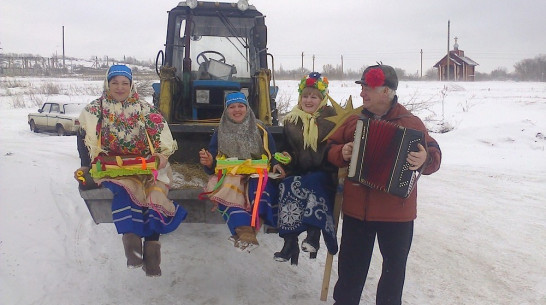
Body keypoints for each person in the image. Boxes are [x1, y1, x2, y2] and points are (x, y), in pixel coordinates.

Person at [327, 64, 442, 305]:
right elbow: (328, 149)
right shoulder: (354, 121)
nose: (362, 94)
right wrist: (342, 152)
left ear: (386, 92)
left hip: (397, 215)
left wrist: (425, 159)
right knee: (350, 271)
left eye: (368, 88)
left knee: (393, 272)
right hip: (358, 213)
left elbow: (434, 154)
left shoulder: (411, 123)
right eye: (362, 88)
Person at [74, 64, 187, 277]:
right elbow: (83, 137)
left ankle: (153, 249)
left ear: (131, 84)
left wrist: (162, 156)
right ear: (107, 84)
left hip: (146, 164)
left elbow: (161, 134)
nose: (119, 88)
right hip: (113, 166)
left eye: (124, 83)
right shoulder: (94, 110)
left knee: (155, 193)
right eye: (115, 83)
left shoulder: (145, 109)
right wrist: (85, 164)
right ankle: (132, 243)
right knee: (126, 190)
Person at [199, 92, 283, 252]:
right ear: (226, 110)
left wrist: (276, 163)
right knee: (227, 189)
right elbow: (214, 162)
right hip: (231, 173)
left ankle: (253, 230)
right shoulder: (220, 131)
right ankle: (243, 232)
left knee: (258, 189)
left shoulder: (260, 128)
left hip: (257, 172)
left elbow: (272, 152)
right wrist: (209, 162)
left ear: (247, 108)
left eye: (240, 106)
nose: (236, 110)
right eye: (232, 107)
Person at [272, 72, 338, 265]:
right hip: (300, 172)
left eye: (314, 96)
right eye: (305, 96)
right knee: (287, 185)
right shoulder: (292, 121)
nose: (308, 100)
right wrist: (285, 159)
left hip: (326, 171)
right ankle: (289, 242)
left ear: (323, 99)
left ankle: (313, 235)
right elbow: (289, 151)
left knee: (313, 181)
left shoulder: (333, 120)